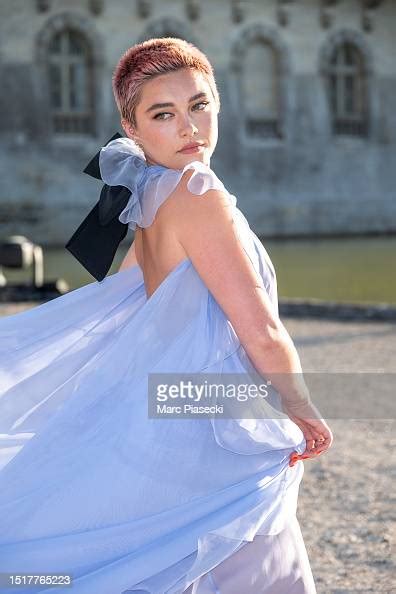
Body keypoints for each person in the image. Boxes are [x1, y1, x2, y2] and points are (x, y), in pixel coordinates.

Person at [0, 37, 333, 594]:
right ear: (131, 129)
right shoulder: (201, 192)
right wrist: (300, 405)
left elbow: (140, 303)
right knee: (251, 557)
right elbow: (261, 327)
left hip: (175, 400)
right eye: (164, 114)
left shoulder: (148, 194)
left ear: (218, 107)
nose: (190, 128)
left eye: (200, 106)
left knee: (179, 553)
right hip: (217, 410)